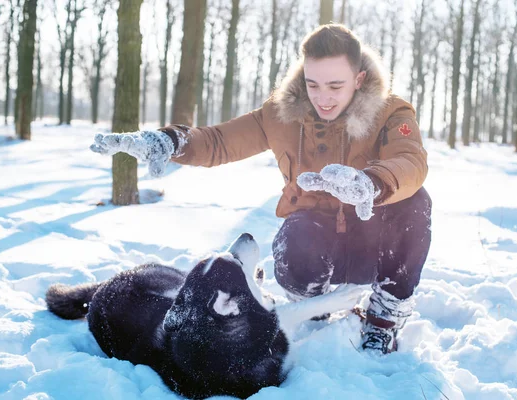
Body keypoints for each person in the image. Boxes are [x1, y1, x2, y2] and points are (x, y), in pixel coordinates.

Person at [90, 24, 432, 354]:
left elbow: (410, 161)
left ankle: (383, 320)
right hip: (312, 244)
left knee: (415, 202)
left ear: (359, 79)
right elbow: (219, 141)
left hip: (373, 243)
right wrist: (170, 140)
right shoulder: (281, 113)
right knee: (296, 237)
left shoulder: (391, 112)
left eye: (335, 86)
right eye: (313, 85)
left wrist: (370, 184)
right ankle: (313, 305)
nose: (322, 98)